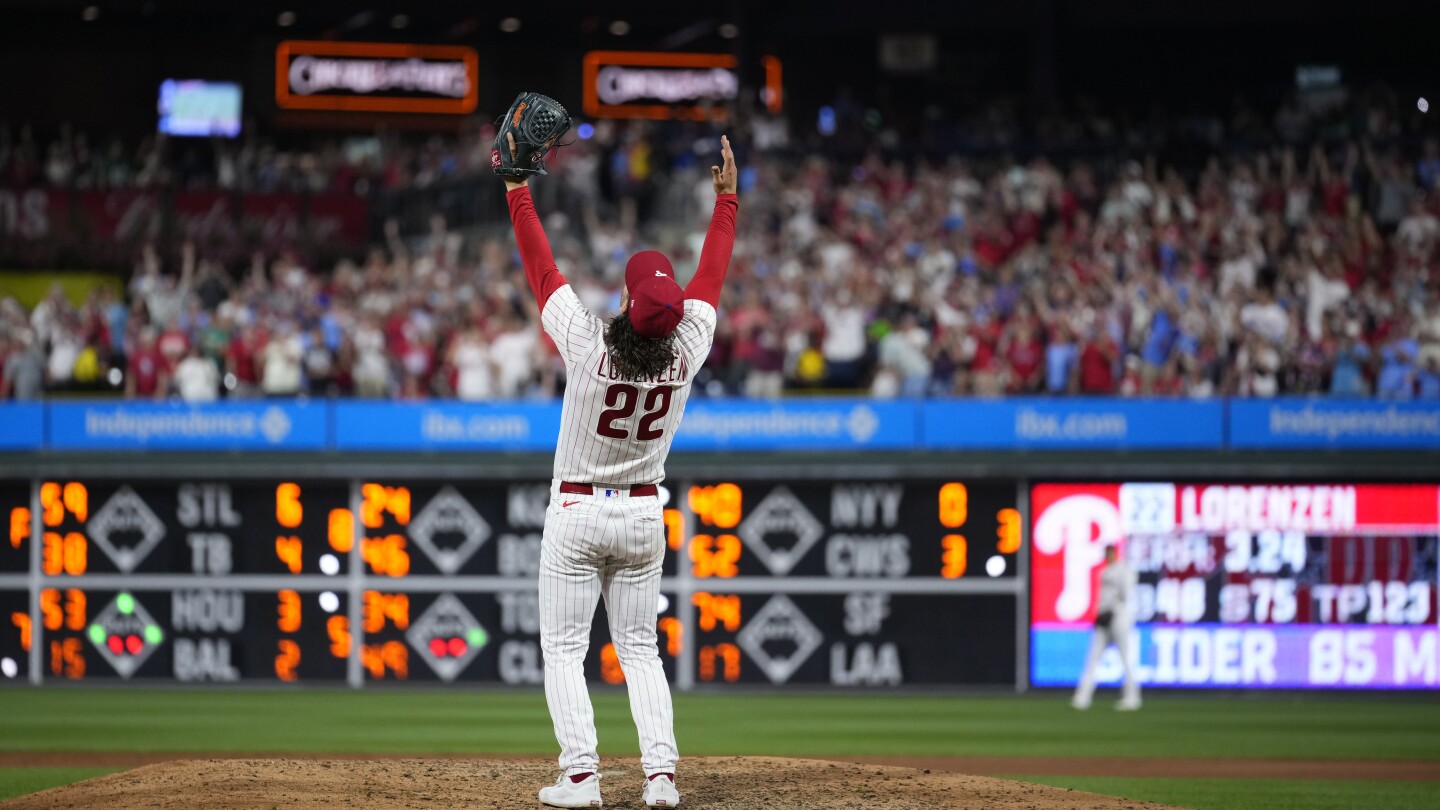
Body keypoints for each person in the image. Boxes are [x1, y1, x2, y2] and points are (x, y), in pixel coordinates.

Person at [505, 133, 738, 809]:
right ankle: (660, 778)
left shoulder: (586, 341)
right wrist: (727, 204)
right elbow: (713, 276)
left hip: (577, 511)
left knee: (565, 653)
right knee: (640, 651)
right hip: (643, 513)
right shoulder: (689, 346)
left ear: (629, 301)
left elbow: (542, 270)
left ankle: (582, 777)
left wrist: (518, 191)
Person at [1072, 544, 1141, 711]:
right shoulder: (1104, 572)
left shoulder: (1124, 570)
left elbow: (1126, 595)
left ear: (1116, 553)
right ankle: (1083, 697)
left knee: (1125, 658)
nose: (1108, 555)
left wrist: (1113, 609)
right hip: (1104, 618)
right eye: (1107, 553)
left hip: (1119, 617)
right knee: (1093, 658)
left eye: (1111, 553)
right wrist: (1100, 614)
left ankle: (1132, 697)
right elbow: (1102, 598)